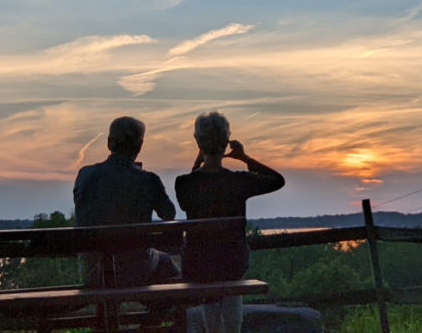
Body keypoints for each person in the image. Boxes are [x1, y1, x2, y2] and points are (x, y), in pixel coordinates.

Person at [175, 111, 285, 333]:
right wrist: (245, 158)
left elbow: (189, 196)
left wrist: (199, 159)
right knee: (230, 273)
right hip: (232, 263)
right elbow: (277, 181)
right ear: (227, 143)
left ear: (198, 142)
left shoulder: (184, 183)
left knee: (210, 283)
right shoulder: (238, 181)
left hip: (199, 265)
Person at [73, 116, 178, 288]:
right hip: (132, 270)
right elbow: (169, 214)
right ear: (139, 146)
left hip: (93, 272)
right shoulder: (148, 180)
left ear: (109, 143)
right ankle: (164, 312)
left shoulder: (85, 175)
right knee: (165, 262)